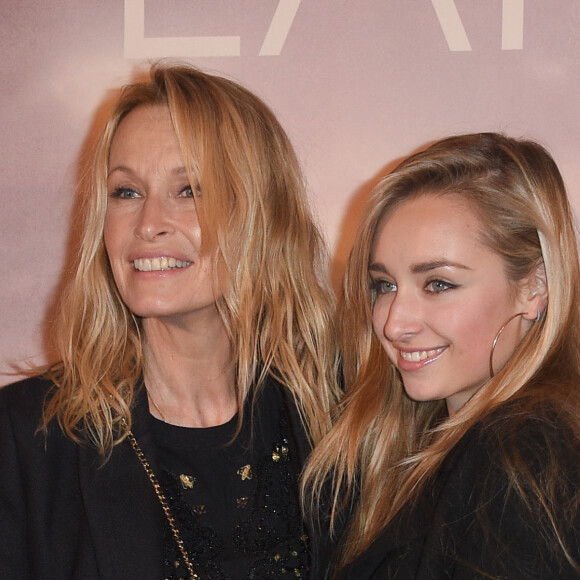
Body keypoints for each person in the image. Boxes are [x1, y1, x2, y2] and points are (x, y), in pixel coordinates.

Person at [0, 63, 339, 579]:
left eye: (190, 190)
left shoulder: (341, 419)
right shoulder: (25, 438)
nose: (149, 224)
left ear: (262, 215)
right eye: (126, 193)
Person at [303, 133, 580, 578]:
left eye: (438, 284)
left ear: (535, 286)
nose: (394, 324)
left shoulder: (526, 455)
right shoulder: (428, 442)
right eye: (384, 285)